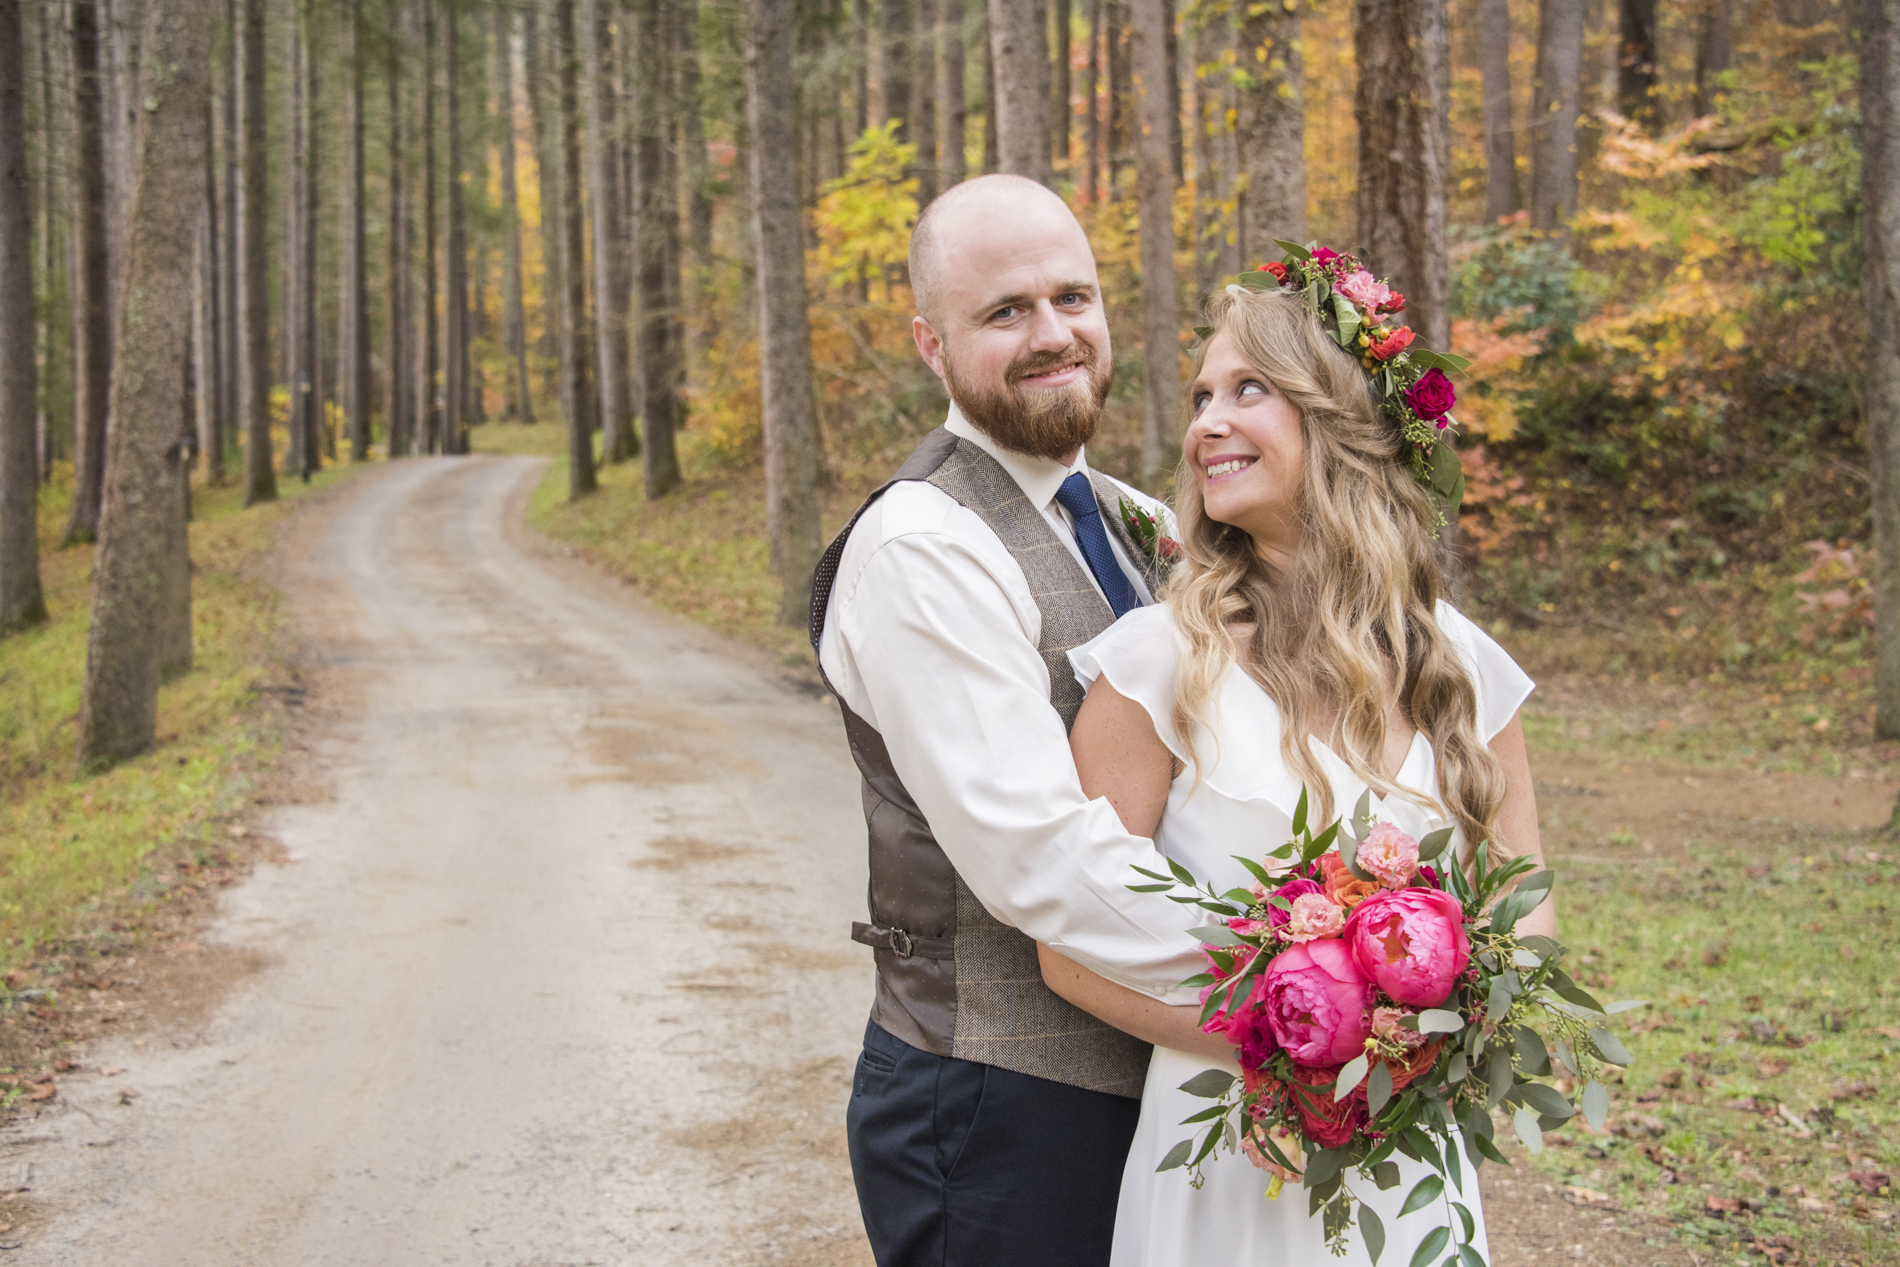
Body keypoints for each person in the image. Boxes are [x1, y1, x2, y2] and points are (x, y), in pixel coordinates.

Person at [1034, 280, 1557, 1264]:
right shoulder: (1154, 668)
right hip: (1226, 1158)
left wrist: (1441, 1031)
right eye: (1200, 398)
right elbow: (1069, 945)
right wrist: (1301, 1049)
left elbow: (1525, 915)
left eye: (1245, 390)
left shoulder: (1462, 668)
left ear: (1338, 417)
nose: (1207, 425)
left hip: (1410, 1163)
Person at [810, 174, 1228, 1266]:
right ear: (929, 342)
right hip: (997, 1106)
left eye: (1072, 298)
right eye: (1005, 312)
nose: (1053, 335)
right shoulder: (921, 547)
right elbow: (1038, 857)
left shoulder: (1139, 523)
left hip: (1167, 1077)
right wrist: (1289, 996)